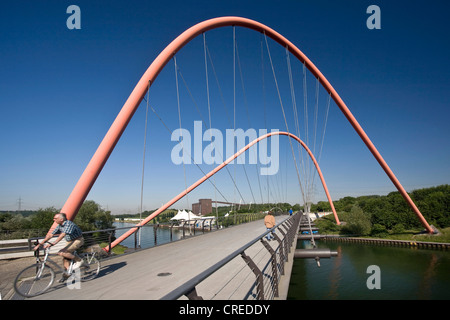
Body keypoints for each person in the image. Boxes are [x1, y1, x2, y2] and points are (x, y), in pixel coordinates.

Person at [34, 213, 85, 281]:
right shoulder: (60, 225)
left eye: (55, 218)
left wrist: (53, 243)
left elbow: (62, 235)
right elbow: (50, 235)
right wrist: (40, 244)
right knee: (65, 258)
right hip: (69, 241)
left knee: (62, 252)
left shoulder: (69, 224)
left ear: (61, 219)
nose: (53, 219)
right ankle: (68, 274)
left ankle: (79, 260)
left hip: (77, 240)